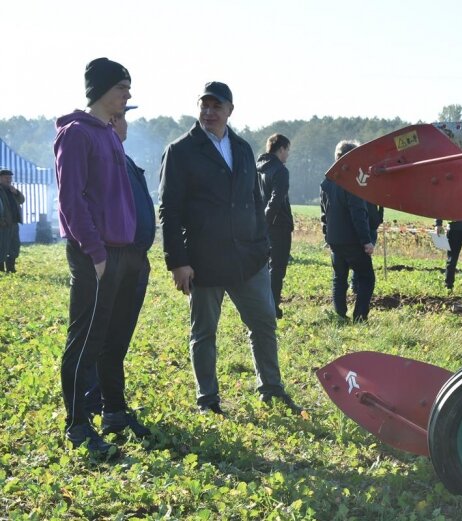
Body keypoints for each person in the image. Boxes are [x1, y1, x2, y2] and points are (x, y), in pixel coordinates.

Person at [159, 81, 301, 416]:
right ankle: (207, 400)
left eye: (216, 106)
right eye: (204, 105)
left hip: (247, 259)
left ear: (230, 110)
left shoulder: (241, 148)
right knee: (204, 332)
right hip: (203, 261)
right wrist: (177, 262)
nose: (209, 112)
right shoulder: (180, 151)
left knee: (264, 323)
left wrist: (262, 243)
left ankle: (271, 389)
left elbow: (255, 198)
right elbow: (169, 210)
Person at [54, 57, 150, 457]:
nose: (127, 95)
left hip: (126, 253)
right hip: (96, 254)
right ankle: (78, 425)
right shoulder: (76, 133)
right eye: (122, 88)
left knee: (115, 341)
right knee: (86, 340)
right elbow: (70, 199)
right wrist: (95, 252)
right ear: (101, 91)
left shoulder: (110, 135)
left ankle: (114, 412)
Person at [82, 106, 156, 426]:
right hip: (113, 258)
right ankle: (98, 405)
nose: (125, 122)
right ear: (112, 121)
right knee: (104, 338)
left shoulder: (122, 158)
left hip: (135, 260)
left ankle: (112, 405)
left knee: (117, 340)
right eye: (122, 115)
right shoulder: (102, 158)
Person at [321, 140, 375, 322]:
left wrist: (326, 234)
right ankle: (360, 317)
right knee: (367, 277)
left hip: (335, 239)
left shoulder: (327, 181)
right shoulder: (353, 182)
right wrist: (366, 241)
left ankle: (340, 314)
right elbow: (358, 214)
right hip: (352, 240)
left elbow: (324, 212)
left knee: (339, 278)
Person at [257, 133, 293, 319]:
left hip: (262, 224)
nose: (288, 155)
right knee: (277, 268)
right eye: (288, 150)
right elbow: (277, 199)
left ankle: (264, 304)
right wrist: (268, 220)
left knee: (263, 267)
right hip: (278, 225)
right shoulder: (280, 170)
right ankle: (272, 307)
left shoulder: (259, 168)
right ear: (281, 149)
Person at [0, 169, 24, 272]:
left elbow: (22, 200)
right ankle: (0, 270)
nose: (9, 180)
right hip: (3, 224)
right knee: (2, 247)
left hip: (13, 223)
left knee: (14, 246)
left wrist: (17, 192)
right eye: (6, 178)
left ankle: (11, 269)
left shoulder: (11, 190)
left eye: (10, 178)